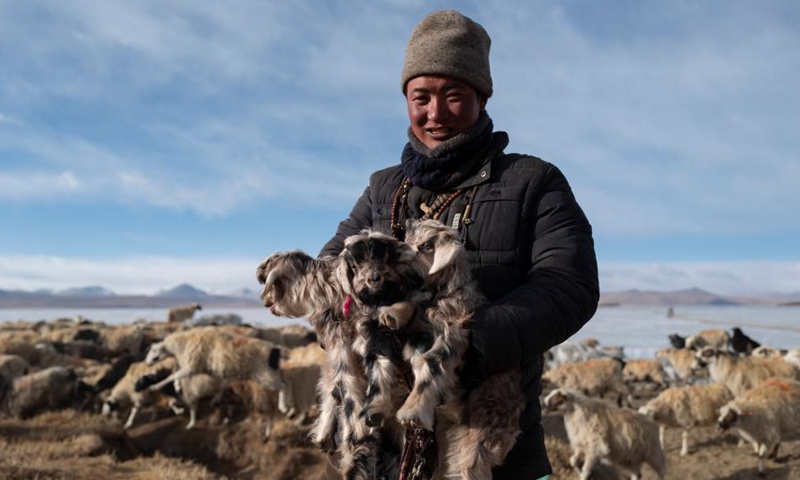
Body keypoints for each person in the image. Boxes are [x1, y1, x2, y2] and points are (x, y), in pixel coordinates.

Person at [319, 9, 599, 480]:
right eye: (421, 96)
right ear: (406, 99)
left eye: (454, 96)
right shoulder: (383, 189)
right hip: (383, 444)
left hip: (491, 440)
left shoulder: (533, 182)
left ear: (481, 97)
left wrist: (464, 345)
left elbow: (568, 286)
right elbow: (332, 268)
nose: (435, 113)